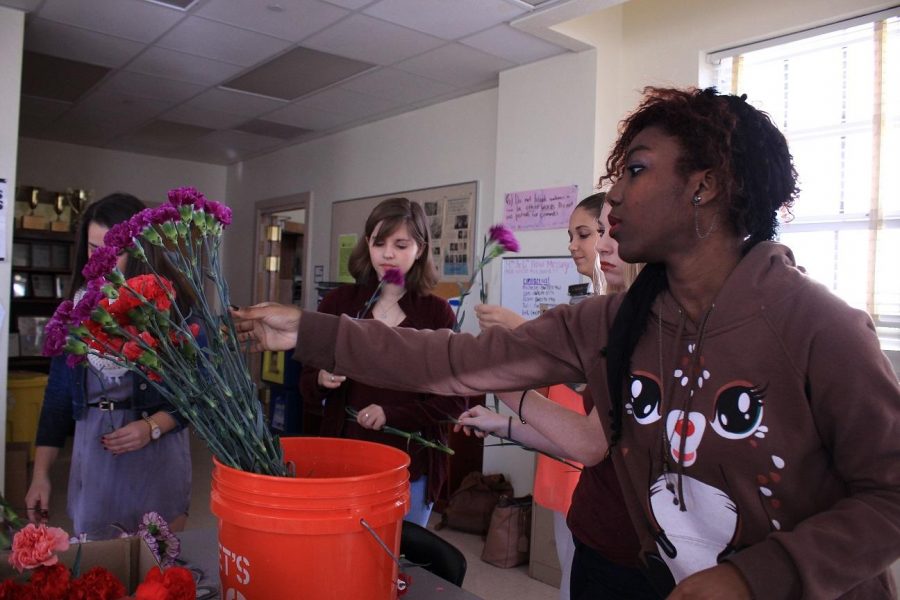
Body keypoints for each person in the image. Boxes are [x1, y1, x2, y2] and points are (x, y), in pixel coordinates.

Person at [234, 87, 900, 599]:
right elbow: (455, 361)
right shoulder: (612, 321)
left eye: (635, 172)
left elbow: (890, 496)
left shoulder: (819, 329)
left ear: (705, 185)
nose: (612, 202)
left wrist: (760, 577)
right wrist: (312, 330)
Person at [473, 193, 655, 600]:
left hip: (615, 521)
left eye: (592, 233)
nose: (582, 245)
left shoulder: (640, 325)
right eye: (576, 235)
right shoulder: (601, 311)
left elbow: (588, 431)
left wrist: (509, 352)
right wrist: (503, 419)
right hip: (584, 490)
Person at [26, 193, 193, 540]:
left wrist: (152, 427)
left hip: (157, 451)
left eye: (114, 251)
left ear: (139, 249)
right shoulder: (75, 311)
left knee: (159, 565)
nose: (101, 261)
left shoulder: (173, 304)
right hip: (96, 453)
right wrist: (40, 473)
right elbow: (57, 396)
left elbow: (199, 393)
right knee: (98, 569)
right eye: (92, 248)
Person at [299, 197, 468, 526]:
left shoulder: (436, 313)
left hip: (409, 464)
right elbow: (304, 385)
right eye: (379, 243)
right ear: (367, 245)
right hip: (344, 459)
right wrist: (320, 378)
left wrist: (392, 414)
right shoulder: (339, 303)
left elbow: (454, 401)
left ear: (419, 248)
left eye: (400, 244)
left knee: (398, 562)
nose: (387, 254)